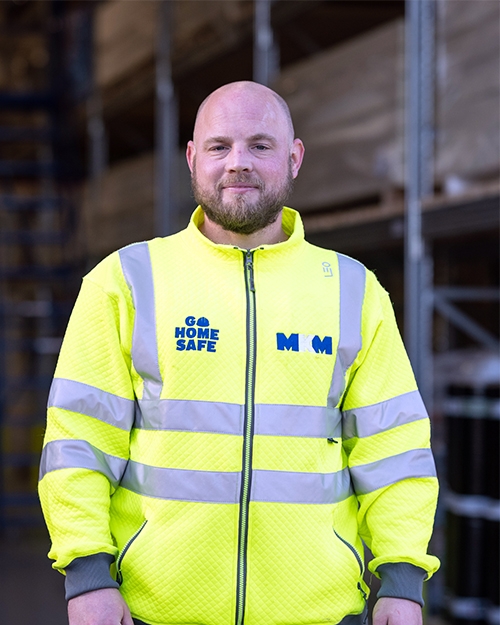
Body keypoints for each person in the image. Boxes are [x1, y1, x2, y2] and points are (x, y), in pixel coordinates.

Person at [39, 81, 439, 625]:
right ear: (191, 158)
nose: (238, 163)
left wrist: (402, 580)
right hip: (156, 611)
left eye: (260, 145)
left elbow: (394, 451)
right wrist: (86, 575)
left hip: (317, 614)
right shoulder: (126, 282)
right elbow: (78, 442)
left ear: (294, 158)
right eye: (219, 146)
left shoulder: (353, 290)